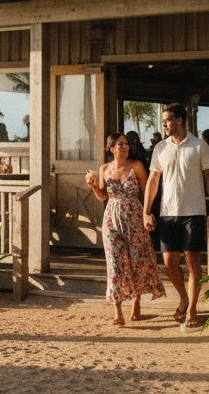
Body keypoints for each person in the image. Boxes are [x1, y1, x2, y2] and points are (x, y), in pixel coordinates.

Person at [143, 103, 209, 331]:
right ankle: (183, 298)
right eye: (163, 120)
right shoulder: (160, 148)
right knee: (168, 262)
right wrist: (146, 211)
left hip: (194, 212)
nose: (164, 124)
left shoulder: (199, 146)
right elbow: (153, 181)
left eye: (167, 120)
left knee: (193, 262)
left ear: (179, 120)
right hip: (168, 213)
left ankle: (192, 310)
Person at [87, 132, 164, 326]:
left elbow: (148, 190)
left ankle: (136, 304)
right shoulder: (104, 168)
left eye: (126, 144)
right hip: (111, 218)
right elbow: (103, 196)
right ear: (111, 148)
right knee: (115, 263)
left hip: (135, 217)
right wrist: (93, 186)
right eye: (120, 144)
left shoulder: (136, 166)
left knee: (137, 259)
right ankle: (117, 311)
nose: (124, 147)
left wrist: (148, 213)